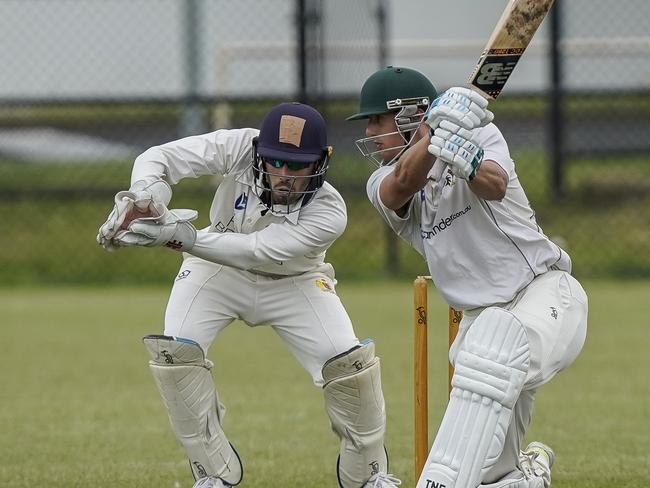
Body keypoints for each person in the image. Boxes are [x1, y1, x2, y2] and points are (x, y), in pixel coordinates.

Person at [97, 102, 401, 488]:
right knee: (175, 356)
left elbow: (258, 250)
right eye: (276, 162)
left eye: (298, 165)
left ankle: (370, 475)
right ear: (260, 152)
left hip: (297, 282)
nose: (285, 175)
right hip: (215, 272)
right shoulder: (239, 146)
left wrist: (181, 235)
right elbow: (157, 157)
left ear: (322, 162)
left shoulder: (330, 211)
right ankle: (212, 474)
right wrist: (146, 195)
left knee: (349, 368)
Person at [348, 66, 588, 488]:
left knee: (492, 351)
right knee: (491, 476)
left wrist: (466, 153)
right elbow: (402, 182)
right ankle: (527, 476)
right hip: (480, 320)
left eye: (376, 120)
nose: (369, 131)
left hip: (544, 293)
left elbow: (494, 184)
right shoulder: (381, 179)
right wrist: (436, 138)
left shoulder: (480, 135)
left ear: (408, 115)